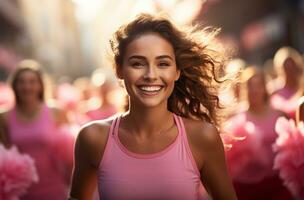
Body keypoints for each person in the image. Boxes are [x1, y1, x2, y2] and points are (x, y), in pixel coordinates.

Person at [69, 13, 237, 200]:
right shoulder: (92, 138)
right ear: (119, 69)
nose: (151, 75)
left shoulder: (202, 137)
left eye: (163, 64)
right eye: (138, 63)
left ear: (177, 71)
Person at [0, 60, 72, 200]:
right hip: (18, 193)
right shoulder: (3, 117)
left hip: (55, 189)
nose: (27, 86)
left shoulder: (56, 111)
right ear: (14, 85)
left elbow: (71, 156)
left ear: (40, 85)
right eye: (22, 82)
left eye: (32, 81)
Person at [224, 67, 293, 200]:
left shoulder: (280, 113)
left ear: (264, 88)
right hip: (247, 188)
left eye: (258, 85)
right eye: (250, 86)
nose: (254, 90)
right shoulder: (236, 118)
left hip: (278, 184)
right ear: (245, 89)